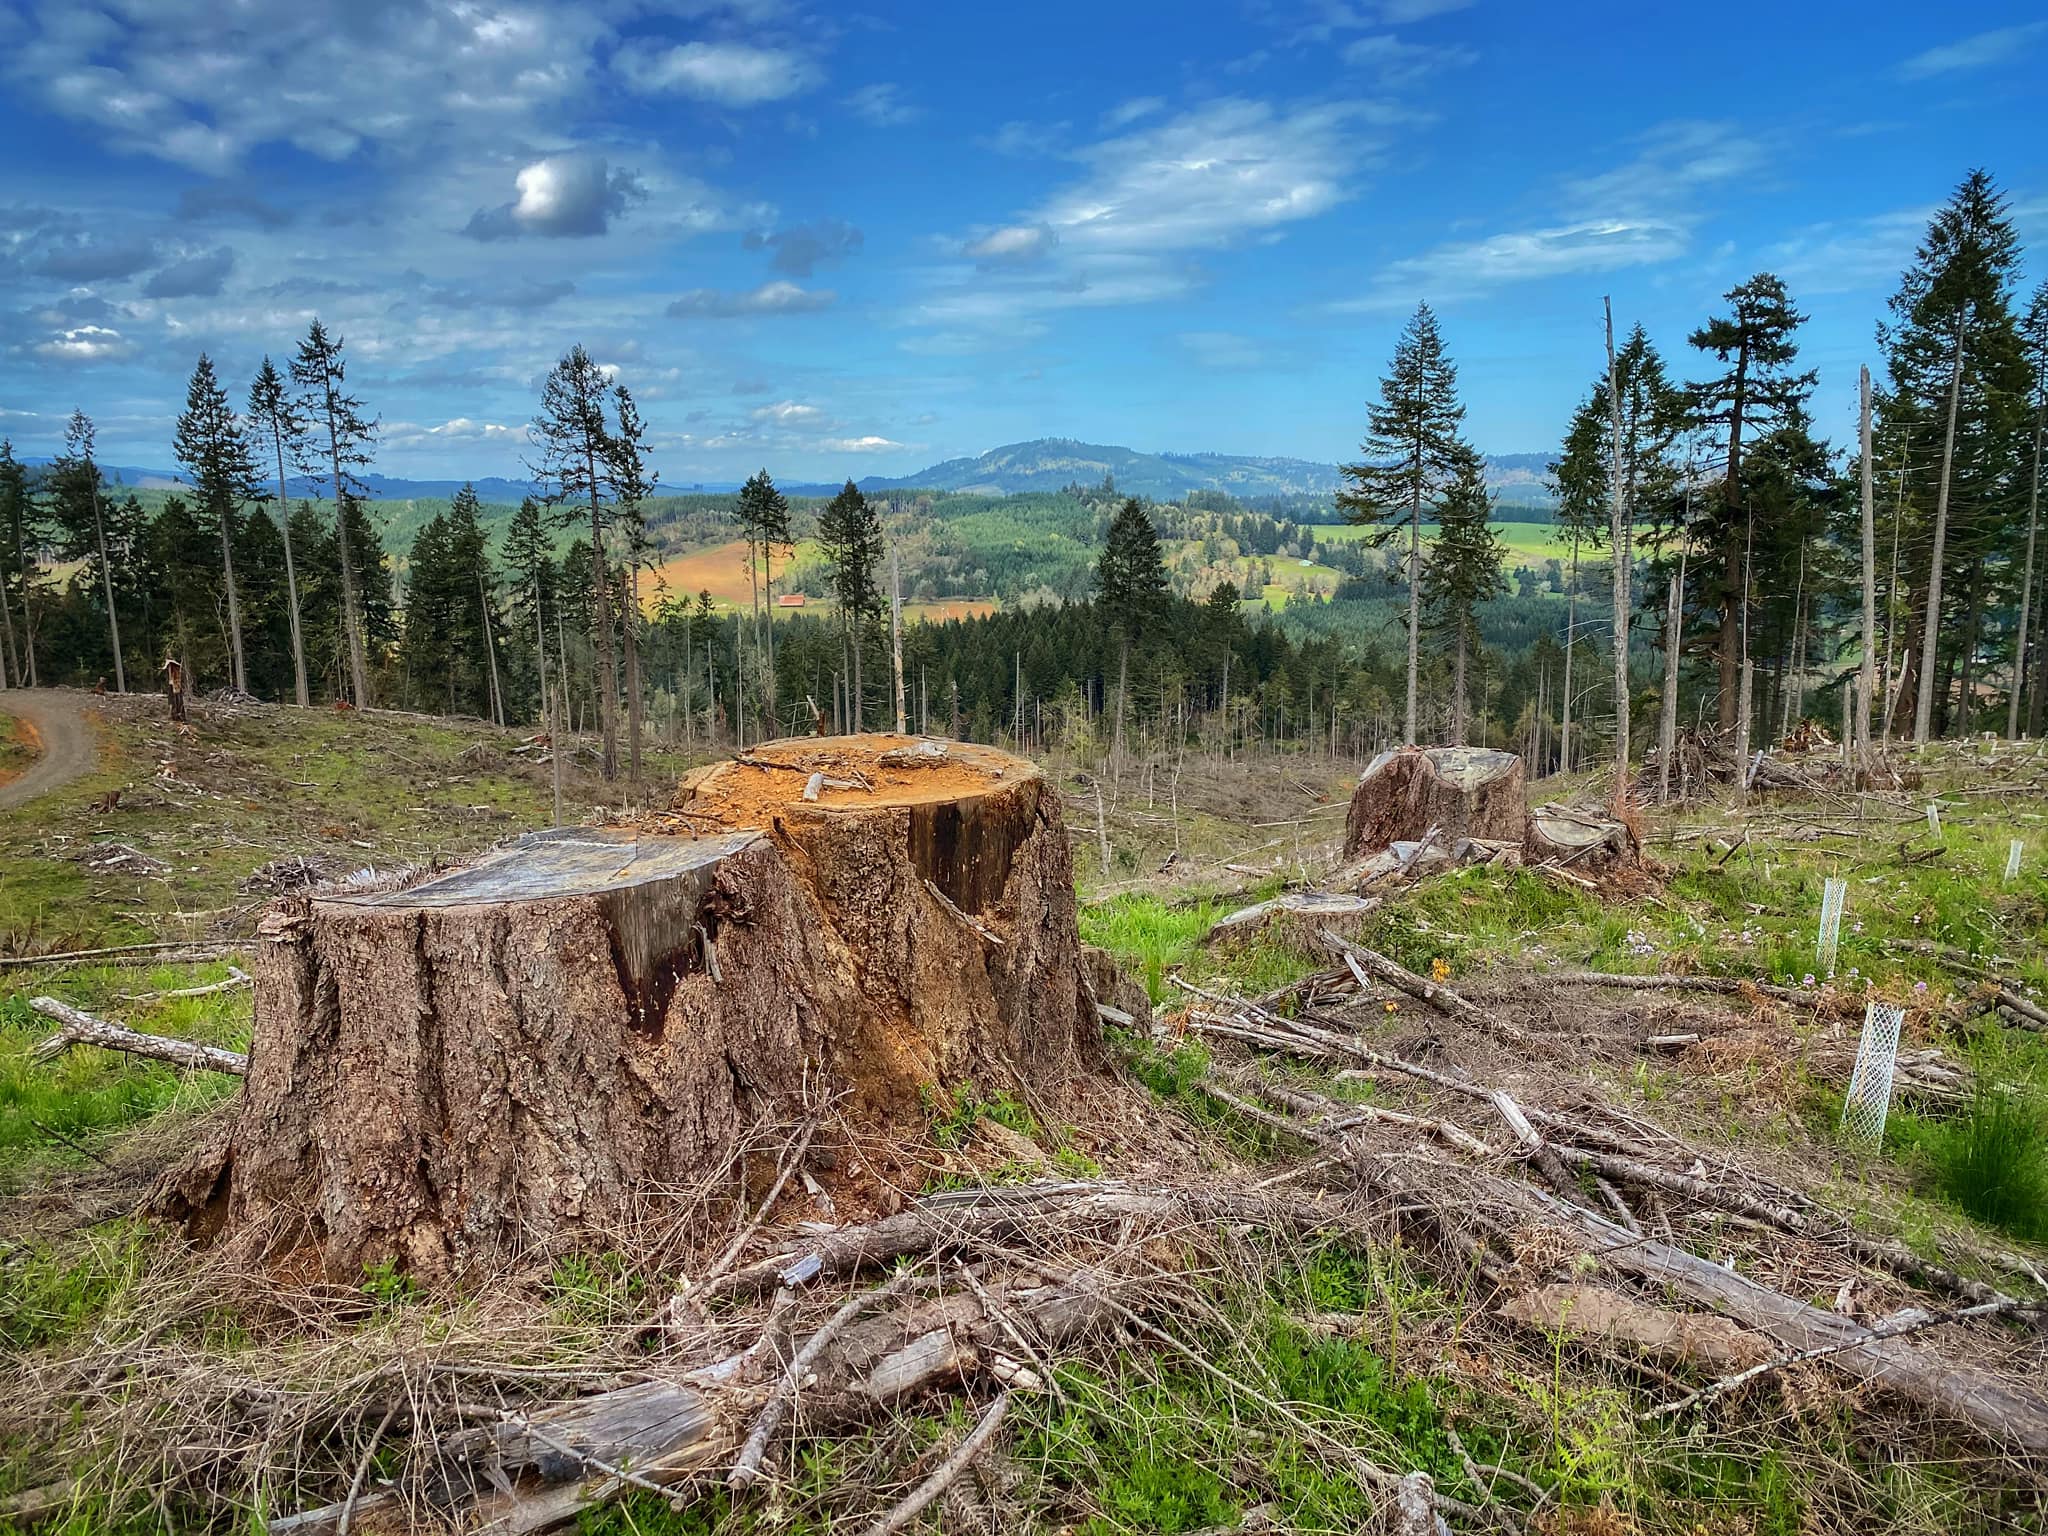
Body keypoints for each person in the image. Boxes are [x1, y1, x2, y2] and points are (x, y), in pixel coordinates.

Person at [160, 656, 186, 723]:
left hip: (175, 686)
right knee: (174, 701)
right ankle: (175, 715)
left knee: (175, 701)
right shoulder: (174, 668)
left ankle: (176, 715)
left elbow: (176, 679)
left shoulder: (175, 669)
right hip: (174, 686)